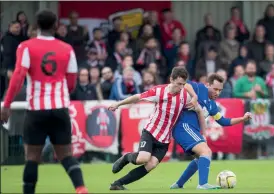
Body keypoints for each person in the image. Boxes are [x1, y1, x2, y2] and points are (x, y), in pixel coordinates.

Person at [0, 10, 88, 194]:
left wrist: (6, 104)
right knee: (66, 155)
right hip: (60, 108)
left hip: (36, 110)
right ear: (56, 26)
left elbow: (18, 77)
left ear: (37, 26)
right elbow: (72, 82)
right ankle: (80, 188)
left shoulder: (26, 46)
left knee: (32, 157)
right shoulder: (67, 49)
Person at [107, 67, 202, 190]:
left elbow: (196, 101)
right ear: (171, 80)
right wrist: (118, 104)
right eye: (179, 84)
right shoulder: (159, 91)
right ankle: (126, 157)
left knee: (151, 165)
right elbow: (137, 97)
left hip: (165, 139)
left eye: (183, 85)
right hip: (151, 132)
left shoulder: (185, 94)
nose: (181, 88)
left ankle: (117, 184)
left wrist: (195, 100)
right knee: (143, 159)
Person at [170, 73, 252, 190]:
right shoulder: (200, 88)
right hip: (183, 127)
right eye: (215, 89)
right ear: (207, 85)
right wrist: (194, 97)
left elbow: (223, 121)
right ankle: (202, 184)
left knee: (200, 157)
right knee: (206, 151)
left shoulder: (212, 105)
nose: (217, 93)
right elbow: (185, 84)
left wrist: (242, 119)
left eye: (220, 90)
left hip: (192, 130)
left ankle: (178, 184)